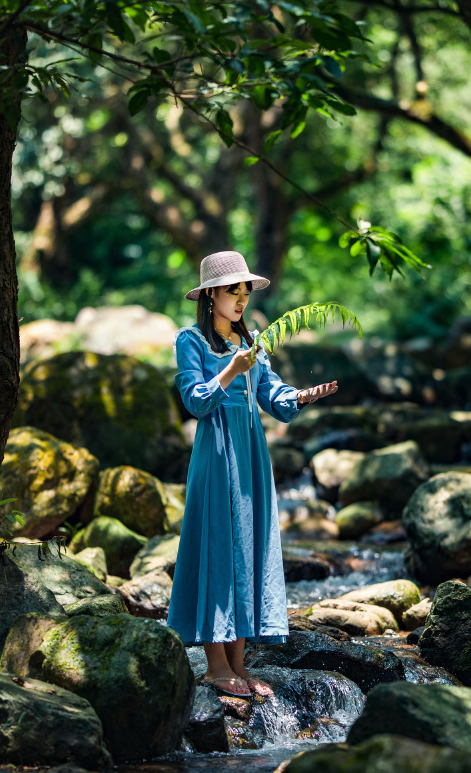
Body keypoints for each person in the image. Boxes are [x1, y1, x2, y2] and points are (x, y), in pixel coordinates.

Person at [167, 251, 338, 697]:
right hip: (217, 453)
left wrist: (300, 397)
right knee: (219, 547)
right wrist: (228, 371)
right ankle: (214, 666)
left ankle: (239, 665)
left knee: (247, 542)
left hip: (251, 453)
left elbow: (271, 396)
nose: (241, 298)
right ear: (209, 296)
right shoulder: (190, 341)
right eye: (232, 291)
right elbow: (195, 402)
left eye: (245, 291)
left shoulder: (252, 342)